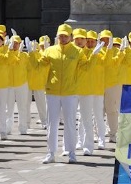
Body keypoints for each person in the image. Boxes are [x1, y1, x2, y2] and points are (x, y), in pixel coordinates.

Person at [38, 24, 101, 164]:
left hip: (70, 92)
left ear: (70, 37)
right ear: (57, 36)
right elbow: (39, 65)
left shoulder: (77, 51)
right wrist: (33, 53)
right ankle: (51, 153)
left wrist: (94, 56)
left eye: (66, 35)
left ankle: (72, 152)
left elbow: (86, 68)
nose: (63, 38)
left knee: (70, 123)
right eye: (61, 35)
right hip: (52, 91)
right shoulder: (51, 50)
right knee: (52, 124)